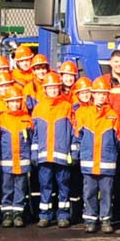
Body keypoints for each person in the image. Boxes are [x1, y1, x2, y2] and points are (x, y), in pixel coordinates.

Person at [74, 75, 120, 234]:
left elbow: (118, 140)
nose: (100, 96)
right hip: (88, 162)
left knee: (107, 193)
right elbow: (77, 137)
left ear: (107, 95)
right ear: (92, 94)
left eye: (103, 93)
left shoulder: (113, 115)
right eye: (98, 93)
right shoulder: (82, 113)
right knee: (89, 192)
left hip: (107, 162)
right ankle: (90, 220)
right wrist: (76, 155)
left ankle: (106, 220)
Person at [31, 71, 75, 228]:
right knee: (45, 186)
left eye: (56, 87)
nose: (53, 90)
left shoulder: (67, 107)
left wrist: (73, 151)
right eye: (50, 88)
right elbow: (34, 134)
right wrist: (34, 152)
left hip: (62, 156)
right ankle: (45, 215)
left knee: (64, 185)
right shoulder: (38, 108)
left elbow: (73, 132)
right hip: (44, 156)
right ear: (45, 89)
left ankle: (63, 215)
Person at [0, 85, 33, 228]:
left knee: (20, 186)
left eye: (17, 101)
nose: (15, 104)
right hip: (6, 160)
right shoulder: (1, 119)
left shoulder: (26, 118)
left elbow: (31, 139)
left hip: (22, 160)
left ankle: (18, 213)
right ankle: (6, 213)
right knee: (6, 187)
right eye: (12, 101)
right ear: (7, 103)